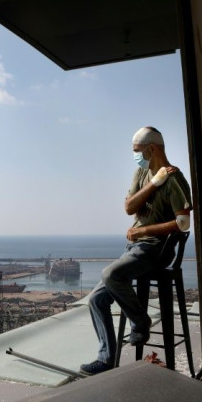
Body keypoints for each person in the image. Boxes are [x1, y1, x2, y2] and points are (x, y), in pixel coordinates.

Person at [79, 126, 192, 376]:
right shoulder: (143, 173)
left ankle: (141, 321)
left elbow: (183, 223)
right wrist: (154, 182)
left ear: (151, 149)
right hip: (136, 248)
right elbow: (129, 208)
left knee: (111, 275)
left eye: (137, 151)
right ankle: (106, 359)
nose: (136, 156)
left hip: (156, 249)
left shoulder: (175, 180)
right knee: (97, 299)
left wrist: (143, 231)